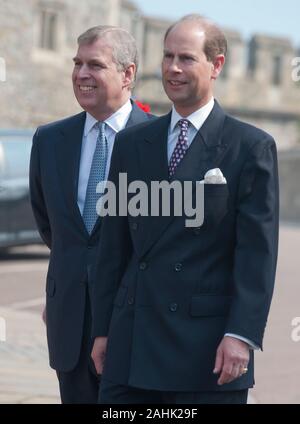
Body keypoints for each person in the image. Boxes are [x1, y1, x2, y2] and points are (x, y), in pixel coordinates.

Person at [91, 15, 279, 404]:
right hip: (132, 345)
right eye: (167, 56)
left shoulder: (250, 147)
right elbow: (114, 247)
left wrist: (241, 336)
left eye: (187, 58)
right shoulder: (132, 143)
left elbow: (256, 255)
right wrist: (103, 330)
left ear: (217, 65)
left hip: (206, 353)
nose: (173, 68)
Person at [29, 25, 153, 404]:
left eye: (95, 65)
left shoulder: (158, 142)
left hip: (133, 324)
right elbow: (50, 224)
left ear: (127, 74)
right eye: (77, 63)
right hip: (69, 322)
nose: (81, 74)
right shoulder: (49, 140)